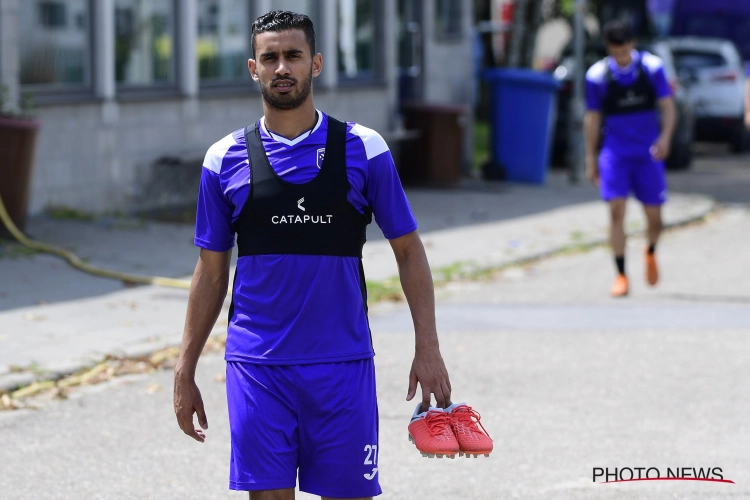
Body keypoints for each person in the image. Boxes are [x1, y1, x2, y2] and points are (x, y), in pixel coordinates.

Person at [172, 11, 453, 500]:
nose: (282, 67)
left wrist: (427, 347)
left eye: (293, 55)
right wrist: (185, 368)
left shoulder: (365, 149)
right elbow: (211, 273)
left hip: (342, 366)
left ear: (316, 63)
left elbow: (408, 252)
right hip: (258, 366)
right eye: (270, 57)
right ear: (252, 68)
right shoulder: (223, 159)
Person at [584, 20, 676, 297]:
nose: (621, 57)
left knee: (655, 219)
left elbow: (669, 107)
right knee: (616, 211)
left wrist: (665, 138)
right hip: (615, 152)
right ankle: (621, 274)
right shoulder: (597, 76)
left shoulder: (652, 68)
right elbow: (592, 117)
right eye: (615, 52)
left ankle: (650, 250)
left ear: (632, 44)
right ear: (609, 49)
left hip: (648, 152)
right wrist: (591, 156)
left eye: (624, 51)